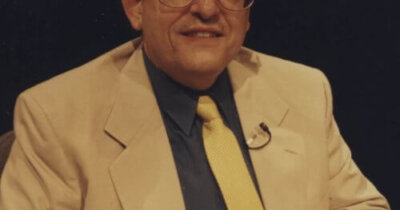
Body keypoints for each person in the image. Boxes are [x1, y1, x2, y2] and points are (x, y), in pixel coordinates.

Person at [0, 0, 391, 208]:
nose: (206, 8)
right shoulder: (55, 116)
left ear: (247, 14)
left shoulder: (304, 89)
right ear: (136, 6)